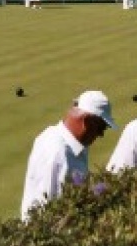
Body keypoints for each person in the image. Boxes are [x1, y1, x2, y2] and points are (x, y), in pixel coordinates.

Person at [21, 90, 115, 220]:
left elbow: (78, 185)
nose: (101, 134)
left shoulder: (73, 144)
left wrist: (101, 188)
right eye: (101, 128)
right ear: (87, 121)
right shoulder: (59, 153)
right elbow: (48, 210)